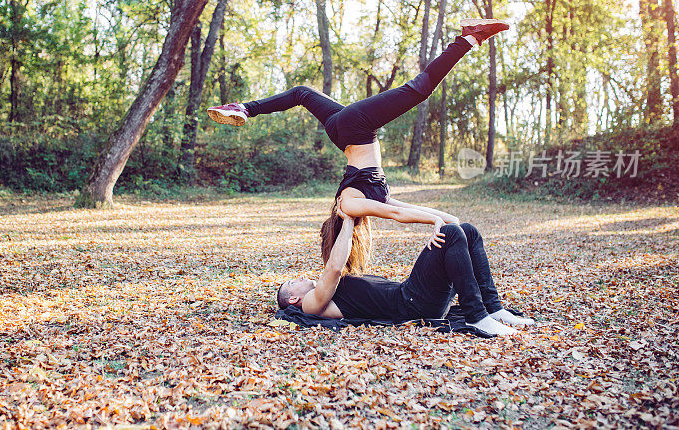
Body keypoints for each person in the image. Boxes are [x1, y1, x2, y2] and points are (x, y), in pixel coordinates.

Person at [208, 18, 510, 274]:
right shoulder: (368, 200)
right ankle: (245, 108)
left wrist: (434, 221)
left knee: (418, 89)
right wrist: (446, 219)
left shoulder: (350, 205)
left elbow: (397, 216)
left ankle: (469, 37)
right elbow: (404, 209)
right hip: (343, 131)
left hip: (356, 128)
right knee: (301, 93)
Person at [276, 214, 535, 336]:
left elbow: (340, 262)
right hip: (412, 303)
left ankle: (493, 308)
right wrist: (346, 219)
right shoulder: (312, 305)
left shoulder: (328, 291)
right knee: (453, 233)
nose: (299, 277)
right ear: (294, 300)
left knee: (467, 230)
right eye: (293, 282)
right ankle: (477, 317)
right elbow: (333, 266)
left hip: (414, 296)